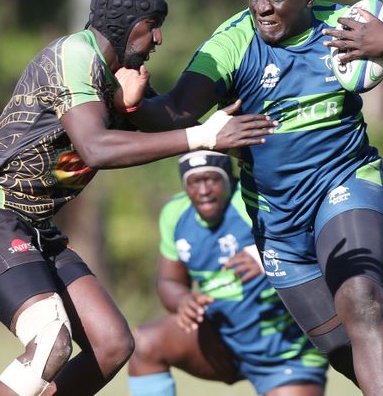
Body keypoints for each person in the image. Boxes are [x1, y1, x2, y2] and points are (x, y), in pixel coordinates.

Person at [127, 0, 383, 395]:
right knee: (342, 351)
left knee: (362, 303)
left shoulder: (346, 28)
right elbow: (178, 112)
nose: (262, 8)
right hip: (277, 222)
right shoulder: (232, 44)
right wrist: (129, 97)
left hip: (345, 184)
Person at [0, 0, 276, 396]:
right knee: (51, 342)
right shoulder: (74, 56)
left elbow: (172, 118)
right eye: (153, 26)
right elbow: (96, 147)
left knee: (112, 344)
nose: (159, 39)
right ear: (130, 24)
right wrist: (205, 136)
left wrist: (229, 72)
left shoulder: (113, 80)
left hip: (35, 225)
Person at [127, 151, 327, 396]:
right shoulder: (175, 213)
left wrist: (268, 256)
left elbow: (313, 242)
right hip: (221, 341)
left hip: (285, 352)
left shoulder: (251, 201)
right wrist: (183, 301)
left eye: (211, 179)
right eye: (194, 182)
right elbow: (169, 281)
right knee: (144, 344)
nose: (203, 190)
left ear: (228, 179)